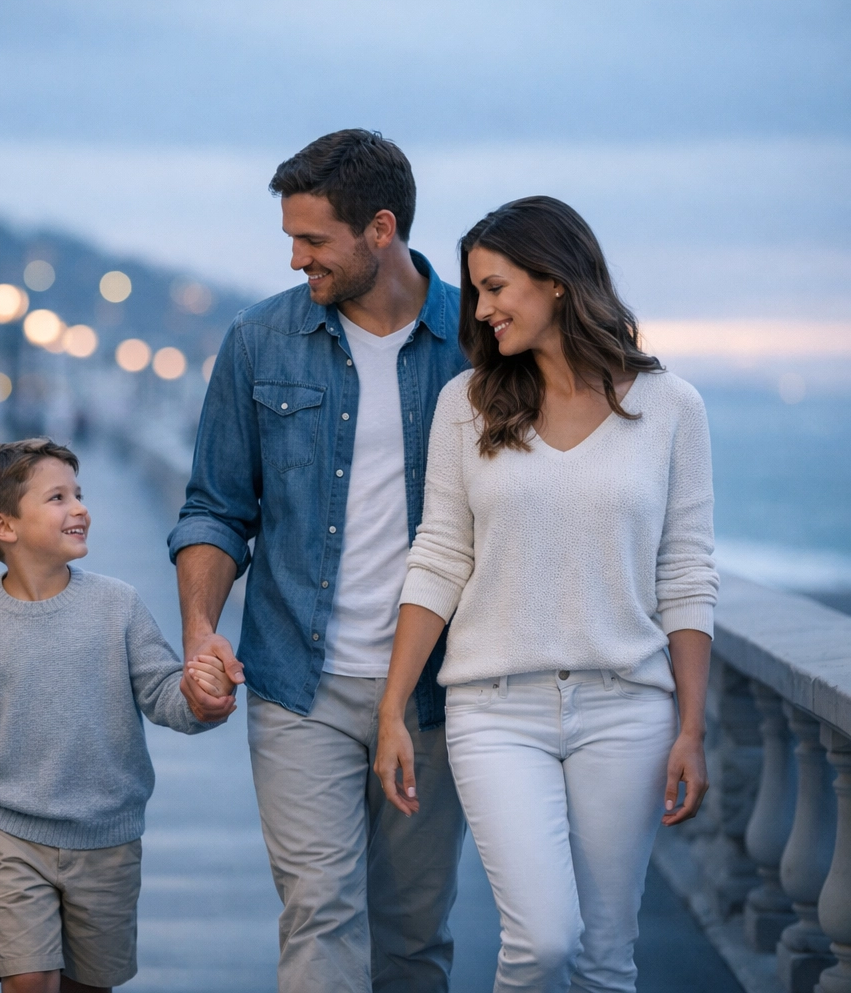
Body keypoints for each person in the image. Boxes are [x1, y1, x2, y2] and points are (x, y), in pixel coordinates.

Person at [374, 196, 716, 992]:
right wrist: (393, 707)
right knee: (543, 942)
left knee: (605, 959)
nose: (482, 309)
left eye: (495, 288)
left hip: (627, 709)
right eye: (478, 291)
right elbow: (439, 556)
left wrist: (692, 726)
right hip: (496, 710)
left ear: (555, 281)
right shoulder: (468, 405)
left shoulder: (671, 409)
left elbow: (687, 572)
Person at [170, 129, 470, 992]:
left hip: (435, 698)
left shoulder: (478, 348)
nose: (298, 259)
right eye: (290, 240)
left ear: (381, 229)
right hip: (301, 686)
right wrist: (201, 631)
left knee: (413, 936)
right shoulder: (260, 340)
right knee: (319, 913)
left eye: (313, 240)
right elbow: (216, 508)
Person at [0, 440, 223, 993]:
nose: (79, 508)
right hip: (6, 832)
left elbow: (163, 693)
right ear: (4, 526)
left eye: (78, 494)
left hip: (106, 838)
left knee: (88, 987)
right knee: (29, 980)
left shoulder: (119, 605)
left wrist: (203, 699)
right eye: (57, 497)